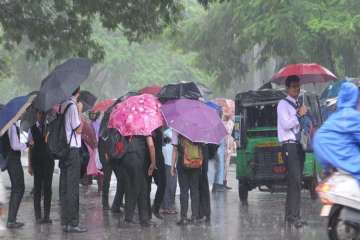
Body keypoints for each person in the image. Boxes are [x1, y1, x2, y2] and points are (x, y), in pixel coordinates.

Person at [277, 75, 308, 228]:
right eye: (294, 86)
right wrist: (298, 115)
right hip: (289, 145)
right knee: (294, 181)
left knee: (296, 182)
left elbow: (300, 125)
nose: (297, 88)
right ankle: (293, 217)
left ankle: (292, 215)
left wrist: (304, 115)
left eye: (298, 86)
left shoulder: (298, 104)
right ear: (287, 88)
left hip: (298, 145)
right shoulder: (283, 104)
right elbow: (286, 124)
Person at [314, 81, 360, 181]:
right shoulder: (353, 116)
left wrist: (327, 167)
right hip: (348, 166)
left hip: (329, 163)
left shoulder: (334, 117)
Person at [59, 87, 87, 233]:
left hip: (64, 150)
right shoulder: (72, 107)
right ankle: (73, 223)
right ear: (78, 92)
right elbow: (78, 129)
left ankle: (65, 222)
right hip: (72, 151)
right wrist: (80, 111)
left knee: (64, 187)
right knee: (72, 188)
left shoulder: (62, 106)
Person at [122, 134, 156, 226]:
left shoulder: (128, 124)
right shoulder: (144, 125)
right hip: (138, 158)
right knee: (140, 187)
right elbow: (151, 145)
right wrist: (153, 163)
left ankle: (134, 218)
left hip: (126, 157)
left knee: (132, 187)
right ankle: (137, 219)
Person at [28, 110, 54, 224]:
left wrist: (48, 137)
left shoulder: (50, 128)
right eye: (39, 113)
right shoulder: (32, 129)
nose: (41, 115)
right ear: (36, 114)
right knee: (37, 188)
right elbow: (30, 147)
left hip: (48, 162)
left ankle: (47, 216)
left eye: (43, 113)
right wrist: (29, 165)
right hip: (37, 162)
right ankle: (38, 216)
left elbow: (53, 144)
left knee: (48, 189)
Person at [4, 122, 32, 228]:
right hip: (13, 159)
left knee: (17, 188)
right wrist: (27, 144)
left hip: (12, 158)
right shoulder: (11, 125)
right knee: (18, 188)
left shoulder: (11, 125)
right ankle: (11, 220)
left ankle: (12, 219)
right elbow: (15, 145)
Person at [171, 131, 201, 225]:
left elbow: (175, 149)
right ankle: (195, 217)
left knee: (184, 191)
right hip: (196, 163)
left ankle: (183, 217)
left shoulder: (177, 129)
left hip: (182, 163)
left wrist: (172, 166)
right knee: (194, 190)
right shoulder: (198, 127)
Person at [147, 127, 166, 219]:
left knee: (158, 184)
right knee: (160, 184)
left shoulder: (157, 128)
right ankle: (151, 210)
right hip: (153, 159)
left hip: (153, 159)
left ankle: (153, 209)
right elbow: (151, 145)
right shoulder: (150, 129)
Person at [161, 128, 177, 214]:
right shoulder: (166, 133)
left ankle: (168, 205)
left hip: (172, 161)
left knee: (171, 184)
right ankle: (167, 206)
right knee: (170, 184)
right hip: (168, 161)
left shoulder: (169, 132)